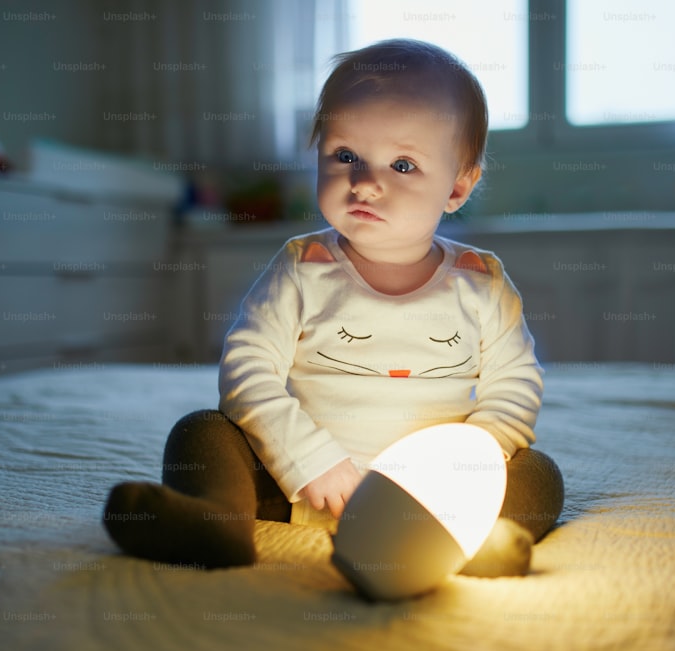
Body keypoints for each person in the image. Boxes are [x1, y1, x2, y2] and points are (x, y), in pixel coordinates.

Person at [103, 38, 564, 576]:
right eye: (346, 156)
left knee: (537, 474)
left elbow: (514, 386)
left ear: (458, 185)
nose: (366, 183)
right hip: (300, 486)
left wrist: (469, 461)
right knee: (203, 430)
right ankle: (217, 524)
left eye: (402, 164)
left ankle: (464, 542)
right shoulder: (304, 265)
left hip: (429, 500)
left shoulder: (481, 282)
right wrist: (308, 460)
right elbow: (248, 369)